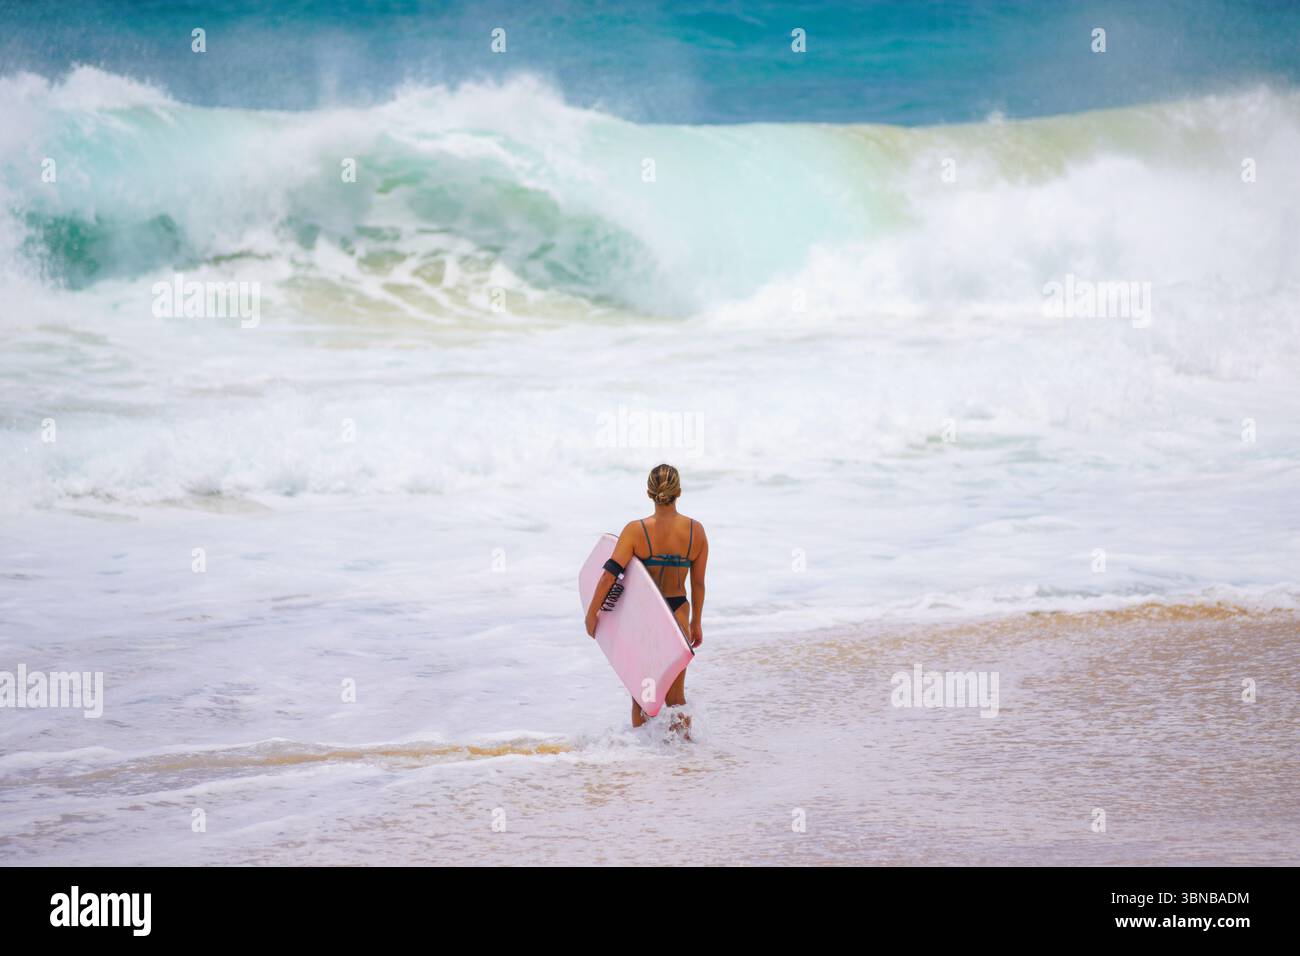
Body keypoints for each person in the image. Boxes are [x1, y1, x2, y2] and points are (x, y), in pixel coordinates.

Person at [584, 463, 708, 729]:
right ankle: (685, 760)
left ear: (648, 493)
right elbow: (698, 584)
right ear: (679, 492)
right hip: (678, 615)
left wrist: (592, 613)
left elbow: (609, 576)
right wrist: (696, 622)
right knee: (676, 699)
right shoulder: (696, 532)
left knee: (642, 697)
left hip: (647, 615)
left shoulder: (635, 531)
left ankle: (642, 758)